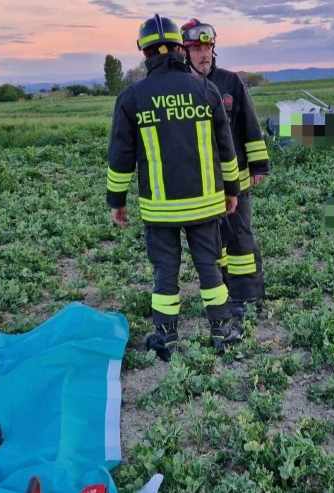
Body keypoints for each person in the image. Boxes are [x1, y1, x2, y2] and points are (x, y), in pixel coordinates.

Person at [107, 14, 242, 361]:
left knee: (164, 272)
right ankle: (223, 332)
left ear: (145, 52)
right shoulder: (206, 89)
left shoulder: (132, 97)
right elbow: (226, 148)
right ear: (181, 49)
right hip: (206, 205)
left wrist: (116, 201)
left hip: (159, 209)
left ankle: (165, 337)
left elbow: (121, 157)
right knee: (210, 266)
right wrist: (232, 191)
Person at [181, 19, 269, 318]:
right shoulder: (180, 88)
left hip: (237, 177)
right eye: (196, 49)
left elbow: (249, 125)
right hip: (203, 183)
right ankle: (223, 292)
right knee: (212, 241)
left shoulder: (231, 82)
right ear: (185, 52)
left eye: (207, 47)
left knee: (240, 236)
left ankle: (248, 294)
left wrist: (259, 164)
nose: (203, 54)